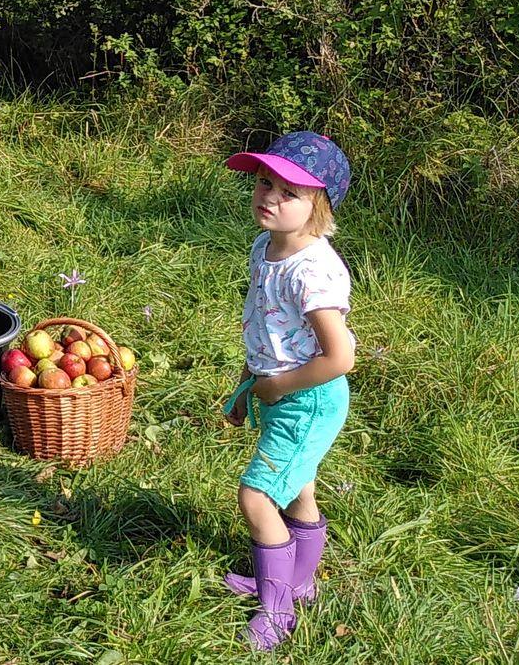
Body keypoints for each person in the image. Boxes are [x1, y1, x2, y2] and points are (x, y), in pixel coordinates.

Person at [220, 132, 357, 651]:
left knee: (256, 498)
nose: (268, 197)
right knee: (298, 485)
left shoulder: (314, 272)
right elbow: (265, 328)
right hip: (282, 390)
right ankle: (298, 581)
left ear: (318, 205)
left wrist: (277, 385)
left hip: (309, 397)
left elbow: (340, 358)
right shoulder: (266, 246)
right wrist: (247, 384)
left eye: (288, 192)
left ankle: (277, 612)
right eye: (263, 182)